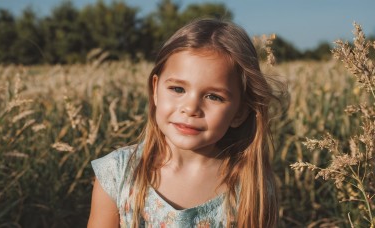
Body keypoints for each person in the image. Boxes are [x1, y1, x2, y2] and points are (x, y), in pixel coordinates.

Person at [88, 18, 282, 228]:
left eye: (214, 97)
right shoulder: (117, 174)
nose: (190, 108)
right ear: (155, 90)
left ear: (240, 112)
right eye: (178, 89)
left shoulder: (252, 187)